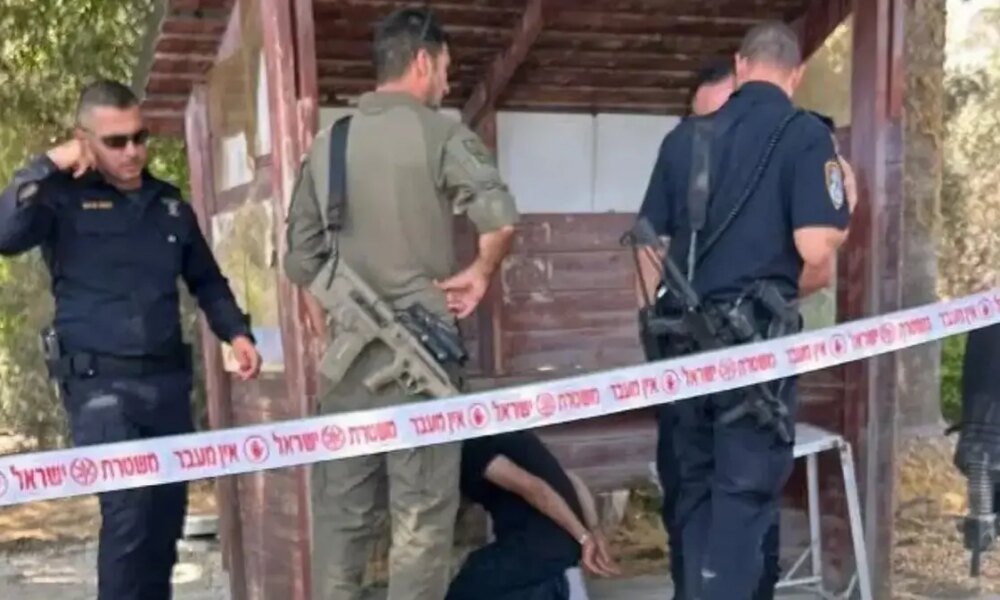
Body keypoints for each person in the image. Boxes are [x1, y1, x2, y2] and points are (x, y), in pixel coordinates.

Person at [282, 7, 518, 600]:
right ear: (421, 62)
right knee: (420, 523)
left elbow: (300, 259)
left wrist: (329, 319)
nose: (446, 81)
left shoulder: (328, 143)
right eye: (445, 68)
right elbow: (499, 219)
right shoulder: (441, 134)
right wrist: (480, 274)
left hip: (348, 365)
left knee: (341, 520)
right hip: (424, 364)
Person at [0, 79, 262, 599]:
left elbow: (207, 280)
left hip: (166, 385)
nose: (133, 151)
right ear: (84, 140)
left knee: (164, 519)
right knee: (129, 512)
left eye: (140, 137)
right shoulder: (60, 200)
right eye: (116, 141)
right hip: (99, 388)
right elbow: (5, 234)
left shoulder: (167, 205)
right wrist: (49, 163)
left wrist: (236, 332)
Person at [633, 23, 856, 599]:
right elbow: (815, 248)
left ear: (739, 65)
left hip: (682, 356)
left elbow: (648, 251)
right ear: (796, 74)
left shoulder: (684, 139)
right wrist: (845, 208)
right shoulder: (806, 136)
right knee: (742, 506)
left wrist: (655, 339)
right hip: (754, 363)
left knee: (691, 500)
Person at [446, 431, 619, 599]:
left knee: (462, 590)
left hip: (537, 547)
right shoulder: (514, 435)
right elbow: (574, 481)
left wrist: (585, 538)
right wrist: (593, 530)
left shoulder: (474, 445)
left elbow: (535, 489)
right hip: (560, 551)